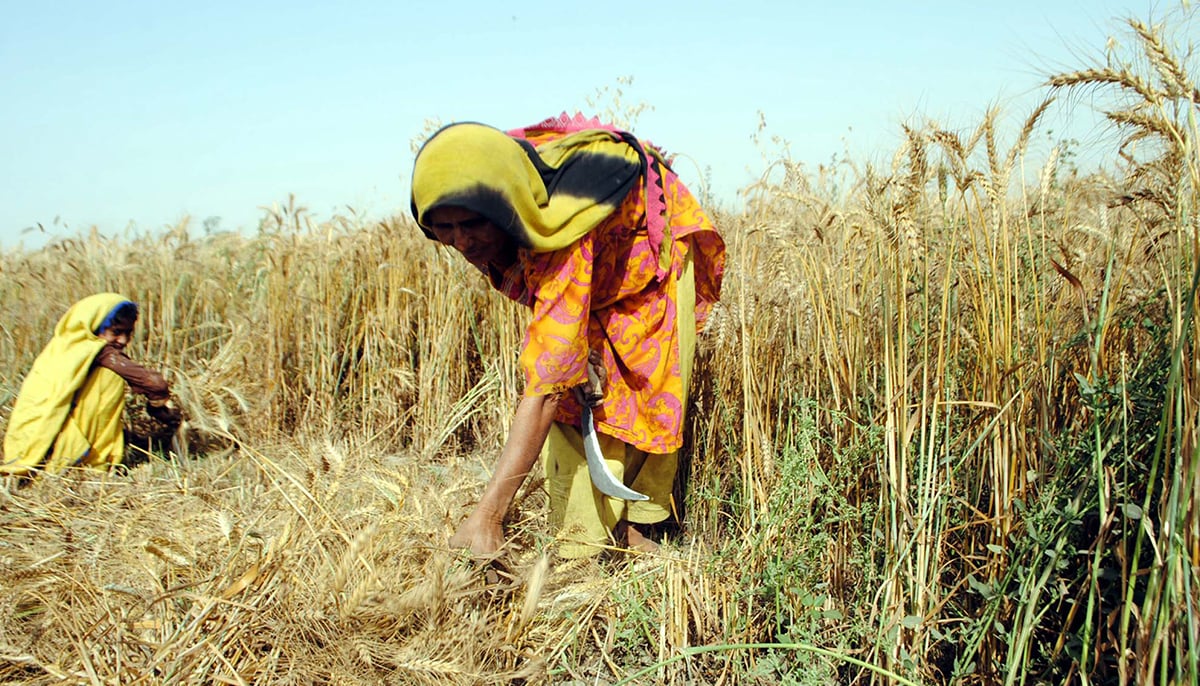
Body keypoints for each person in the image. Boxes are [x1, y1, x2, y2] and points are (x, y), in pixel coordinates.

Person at [410, 113, 725, 558]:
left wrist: (489, 515)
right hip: (595, 255)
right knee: (577, 383)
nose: (461, 242)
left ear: (500, 210)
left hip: (649, 251)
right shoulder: (500, 204)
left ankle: (636, 528)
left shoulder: (560, 229)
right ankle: (586, 536)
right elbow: (542, 301)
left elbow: (545, 388)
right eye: (445, 228)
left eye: (471, 225)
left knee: (645, 379)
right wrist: (576, 346)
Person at [1, 292, 181, 476]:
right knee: (109, 375)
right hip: (51, 439)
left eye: (128, 333)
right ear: (94, 327)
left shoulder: (61, 348)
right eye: (116, 332)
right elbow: (153, 382)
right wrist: (161, 409)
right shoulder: (101, 353)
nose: (123, 341)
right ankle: (80, 461)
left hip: (30, 439)